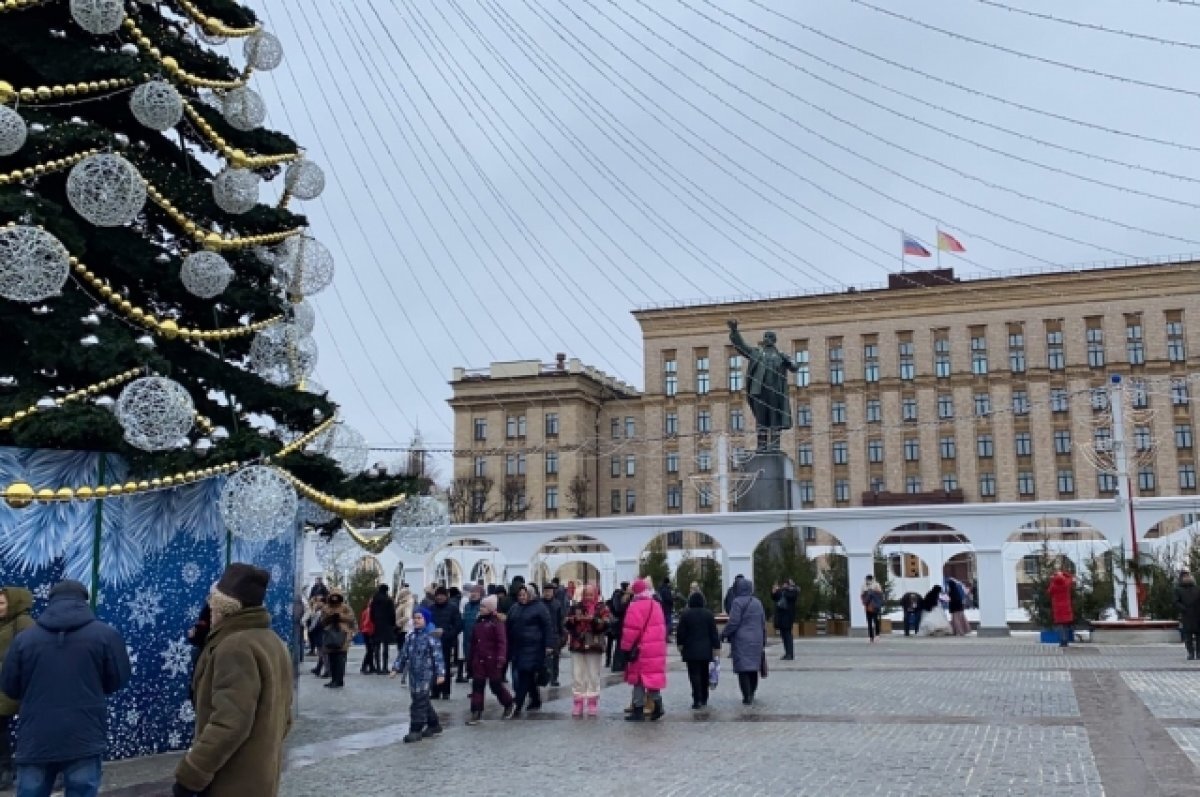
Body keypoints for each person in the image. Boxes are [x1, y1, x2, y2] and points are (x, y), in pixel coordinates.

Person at [1, 580, 130, 797]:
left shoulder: (25, 639)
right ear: (84, 601)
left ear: (51, 601)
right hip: (84, 735)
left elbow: (9, 687)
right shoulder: (106, 635)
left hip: (36, 736)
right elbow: (117, 680)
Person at [173, 564, 292, 797]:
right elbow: (284, 718)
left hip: (231, 780)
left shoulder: (234, 647)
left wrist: (192, 773)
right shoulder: (272, 641)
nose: (210, 611)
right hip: (259, 775)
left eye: (213, 605)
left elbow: (229, 723)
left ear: (223, 608)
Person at [727, 319, 799, 451]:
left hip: (775, 392)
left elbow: (795, 367)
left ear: (774, 340)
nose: (767, 339)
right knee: (761, 420)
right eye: (766, 336)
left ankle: (775, 446)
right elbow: (741, 346)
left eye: (770, 337)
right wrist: (734, 331)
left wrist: (790, 361)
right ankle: (761, 446)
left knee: (775, 419)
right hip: (759, 391)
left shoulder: (781, 356)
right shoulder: (756, 353)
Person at [391, 607, 444, 743]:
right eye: (415, 617)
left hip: (427, 673)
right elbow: (403, 654)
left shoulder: (431, 637)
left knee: (418, 702)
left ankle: (416, 729)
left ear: (426, 619)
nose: (416, 620)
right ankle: (434, 724)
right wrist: (396, 668)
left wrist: (440, 674)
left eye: (419, 618)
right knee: (421, 699)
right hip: (414, 674)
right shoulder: (411, 637)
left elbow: (438, 657)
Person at [621, 578, 668, 722]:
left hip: (641, 648)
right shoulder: (656, 604)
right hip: (656, 648)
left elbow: (631, 630)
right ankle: (658, 705)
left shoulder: (635, 606)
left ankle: (638, 710)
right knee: (652, 677)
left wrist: (625, 648)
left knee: (638, 679)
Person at [0, 587, 33, 789]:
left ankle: (8, 770)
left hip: (14, 686)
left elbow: (28, 655)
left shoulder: (24, 623)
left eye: (2, 603)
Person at [466, 595, 515, 725]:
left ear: (490, 609)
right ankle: (476, 712)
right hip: (479, 659)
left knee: (495, 685)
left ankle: (509, 703)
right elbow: (473, 643)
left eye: (483, 607)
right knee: (477, 685)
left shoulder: (496, 623)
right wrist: (470, 659)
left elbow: (502, 642)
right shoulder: (479, 622)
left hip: (493, 660)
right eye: (481, 606)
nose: (480, 608)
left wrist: (501, 657)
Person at [564, 584, 611, 717]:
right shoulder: (576, 607)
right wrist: (574, 620)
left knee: (593, 674)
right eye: (586, 594)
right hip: (577, 644)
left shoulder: (601, 607)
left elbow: (607, 624)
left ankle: (592, 701)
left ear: (595, 595)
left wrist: (594, 621)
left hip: (594, 645)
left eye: (590, 594)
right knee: (577, 674)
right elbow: (566, 622)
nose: (588, 597)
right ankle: (578, 701)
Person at [505, 585, 551, 716]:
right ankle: (535, 700)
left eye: (524, 595)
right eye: (520, 595)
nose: (522, 597)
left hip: (534, 647)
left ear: (530, 594)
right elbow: (509, 626)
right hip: (518, 647)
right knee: (528, 675)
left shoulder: (539, 607)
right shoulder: (515, 608)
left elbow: (548, 627)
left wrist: (549, 645)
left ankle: (517, 704)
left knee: (525, 674)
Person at [721, 577, 766, 706]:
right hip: (757, 639)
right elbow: (763, 622)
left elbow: (734, 622)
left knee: (743, 668)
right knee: (753, 668)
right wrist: (763, 639)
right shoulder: (757, 602)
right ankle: (752, 692)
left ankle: (747, 696)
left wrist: (724, 633)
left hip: (742, 640)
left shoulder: (737, 602)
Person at [676, 591, 720, 710]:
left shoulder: (685, 615)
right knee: (705, 673)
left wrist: (680, 645)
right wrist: (716, 647)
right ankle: (704, 697)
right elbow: (713, 633)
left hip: (690, 650)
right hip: (706, 650)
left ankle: (697, 699)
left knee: (694, 674)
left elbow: (680, 633)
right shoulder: (708, 614)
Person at [428, 587, 462, 699]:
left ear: (446, 596)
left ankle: (445, 691)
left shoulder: (453, 608)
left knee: (445, 667)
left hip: (446, 642)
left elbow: (458, 625)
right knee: (433, 666)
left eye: (442, 595)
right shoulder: (431, 608)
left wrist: (448, 634)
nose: (439, 597)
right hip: (433, 642)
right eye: (438, 595)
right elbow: (426, 623)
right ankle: (435, 690)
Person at [321, 592, 355, 688]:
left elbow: (351, 618)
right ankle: (334, 679)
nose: (334, 599)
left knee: (340, 659)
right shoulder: (326, 608)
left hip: (343, 636)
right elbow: (322, 621)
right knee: (332, 659)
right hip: (330, 635)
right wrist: (330, 617)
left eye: (336, 597)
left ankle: (339, 680)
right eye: (333, 597)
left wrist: (340, 616)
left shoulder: (345, 607)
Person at [541, 583, 566, 687]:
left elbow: (561, 620)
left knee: (555, 658)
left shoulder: (557, 604)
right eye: (546, 591)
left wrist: (562, 634)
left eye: (549, 591)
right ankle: (544, 677)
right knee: (544, 658)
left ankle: (554, 678)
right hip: (542, 635)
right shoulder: (539, 604)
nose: (547, 594)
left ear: (553, 592)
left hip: (555, 634)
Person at [369, 584, 397, 675]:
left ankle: (378, 667)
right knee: (385, 647)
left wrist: (374, 621)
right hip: (386, 624)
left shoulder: (374, 600)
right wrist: (393, 624)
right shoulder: (388, 600)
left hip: (377, 624)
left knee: (377, 646)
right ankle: (385, 667)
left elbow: (371, 613)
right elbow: (392, 613)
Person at [459, 585, 483, 683]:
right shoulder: (467, 606)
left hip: (478, 639)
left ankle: (477, 682)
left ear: (480, 594)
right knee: (469, 659)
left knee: (477, 661)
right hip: (467, 637)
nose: (473, 594)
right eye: (472, 592)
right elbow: (463, 620)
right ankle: (472, 675)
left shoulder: (482, 606)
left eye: (476, 592)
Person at [1175, 569, 1200, 661]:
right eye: (1185, 576)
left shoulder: (1197, 589)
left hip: (1197, 615)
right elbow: (1176, 602)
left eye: (1188, 576)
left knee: (1198, 636)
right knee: (1188, 637)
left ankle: (1198, 653)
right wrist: (1184, 609)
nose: (1187, 578)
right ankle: (1191, 653)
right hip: (1186, 616)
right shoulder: (1178, 590)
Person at [771, 579, 799, 660]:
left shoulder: (793, 591)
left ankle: (790, 654)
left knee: (788, 636)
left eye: (785, 584)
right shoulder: (783, 592)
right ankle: (787, 653)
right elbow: (775, 597)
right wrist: (774, 591)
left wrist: (780, 590)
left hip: (788, 617)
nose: (784, 586)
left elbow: (789, 596)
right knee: (784, 636)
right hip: (781, 618)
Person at [1047, 570, 1075, 649]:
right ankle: (1066, 641)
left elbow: (1049, 592)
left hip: (1057, 608)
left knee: (1060, 626)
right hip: (1066, 608)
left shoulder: (1054, 585)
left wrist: (1053, 577)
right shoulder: (1066, 583)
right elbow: (1070, 577)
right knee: (1065, 625)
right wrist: (1063, 573)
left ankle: (1062, 641)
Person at [861, 575, 884, 643]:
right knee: (870, 622)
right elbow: (862, 595)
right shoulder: (864, 585)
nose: (867, 581)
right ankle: (871, 636)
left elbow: (880, 595)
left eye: (868, 579)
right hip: (868, 606)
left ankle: (876, 635)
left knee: (875, 621)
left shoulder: (876, 585)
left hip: (874, 606)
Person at [358, 600, 377, 675]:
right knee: (370, 650)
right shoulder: (371, 611)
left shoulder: (366, 610)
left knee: (370, 650)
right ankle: (364, 667)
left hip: (365, 631)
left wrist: (362, 629)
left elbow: (362, 622)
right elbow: (368, 622)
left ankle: (371, 666)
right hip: (369, 631)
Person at [395, 586, 414, 652]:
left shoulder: (407, 603)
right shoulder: (404, 603)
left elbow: (407, 616)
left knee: (402, 649)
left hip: (404, 630)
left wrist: (398, 623)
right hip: (403, 629)